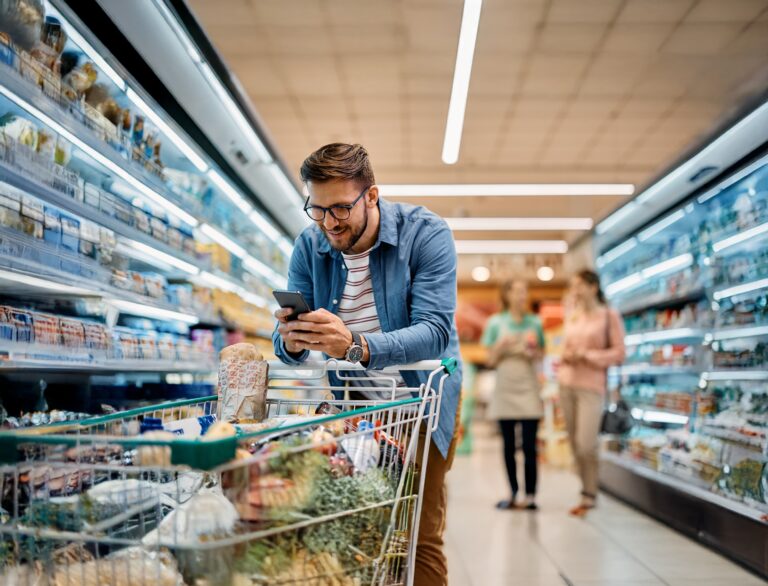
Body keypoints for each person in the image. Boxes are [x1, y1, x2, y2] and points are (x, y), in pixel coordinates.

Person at [272, 143, 462, 586]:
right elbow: (285, 348)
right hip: (354, 406)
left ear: (371, 196)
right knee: (354, 522)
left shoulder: (426, 234)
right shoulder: (311, 243)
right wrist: (293, 340)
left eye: (340, 208)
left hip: (423, 400)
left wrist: (355, 345)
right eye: (317, 209)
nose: (329, 223)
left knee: (417, 532)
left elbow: (434, 331)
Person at [558, 269, 625, 517]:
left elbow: (619, 353)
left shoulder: (608, 316)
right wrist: (567, 355)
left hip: (591, 387)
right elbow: (565, 348)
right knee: (575, 443)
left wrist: (587, 356)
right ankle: (585, 490)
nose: (575, 291)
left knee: (587, 444)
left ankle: (591, 492)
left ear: (593, 287)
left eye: (579, 286)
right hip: (567, 384)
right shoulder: (574, 316)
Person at [481, 279, 545, 511]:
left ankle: (530, 496)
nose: (522, 296)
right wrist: (500, 346)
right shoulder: (496, 323)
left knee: (530, 445)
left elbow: (541, 355)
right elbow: (490, 360)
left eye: (524, 291)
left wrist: (533, 350)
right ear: (507, 295)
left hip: (528, 386)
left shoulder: (535, 322)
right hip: (505, 387)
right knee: (508, 445)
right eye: (517, 291)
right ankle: (513, 492)